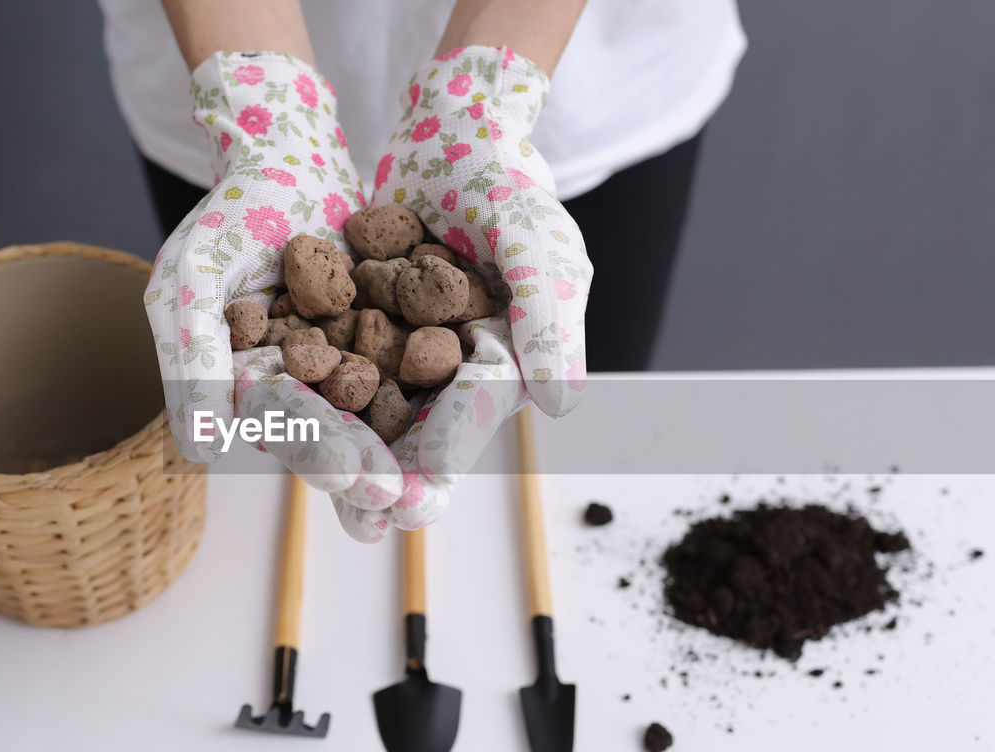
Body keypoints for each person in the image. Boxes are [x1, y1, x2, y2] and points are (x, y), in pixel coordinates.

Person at [98, 0, 746, 541]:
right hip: (232, 93)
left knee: (574, 447)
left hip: (589, 75)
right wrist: (265, 105)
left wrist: (480, 95)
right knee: (276, 455)